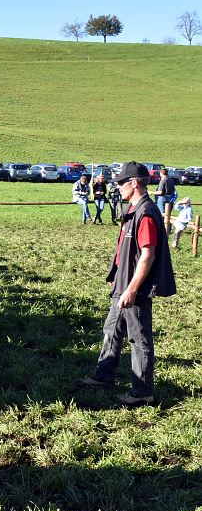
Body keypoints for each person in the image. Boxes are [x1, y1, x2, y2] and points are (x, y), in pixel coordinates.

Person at [77, 161, 176, 406]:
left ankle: (143, 392)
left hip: (135, 289)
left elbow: (147, 255)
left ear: (134, 183)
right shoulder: (134, 209)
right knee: (111, 331)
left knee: (138, 339)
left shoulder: (145, 213)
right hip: (122, 285)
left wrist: (132, 289)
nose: (118, 187)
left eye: (121, 182)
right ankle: (104, 377)